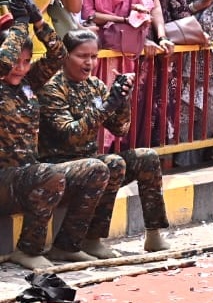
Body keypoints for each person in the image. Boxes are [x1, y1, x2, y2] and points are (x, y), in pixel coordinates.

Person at [0, 0, 112, 269]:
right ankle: (28, 250)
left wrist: (37, 19)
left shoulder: (28, 84)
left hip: (26, 174)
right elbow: (3, 62)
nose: (21, 67)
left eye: (27, 61)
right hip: (4, 178)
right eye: (17, 60)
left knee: (96, 168)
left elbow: (58, 53)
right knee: (48, 172)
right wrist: (18, 24)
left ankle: (67, 245)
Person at [38, 29, 171, 255]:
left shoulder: (95, 86)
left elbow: (120, 129)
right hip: (58, 167)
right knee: (110, 164)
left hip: (91, 165)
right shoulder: (52, 88)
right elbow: (71, 133)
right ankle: (79, 242)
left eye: (93, 56)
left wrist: (121, 100)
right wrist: (107, 105)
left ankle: (154, 234)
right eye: (82, 56)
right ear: (65, 56)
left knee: (146, 157)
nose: (89, 62)